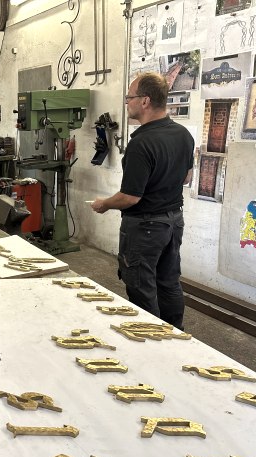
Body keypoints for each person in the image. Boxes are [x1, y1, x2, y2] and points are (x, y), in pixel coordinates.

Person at [91, 72, 194, 330]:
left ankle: (152, 343)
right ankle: (176, 339)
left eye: (130, 97)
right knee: (168, 281)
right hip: (173, 222)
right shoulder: (183, 134)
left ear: (145, 101)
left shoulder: (141, 143)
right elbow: (185, 178)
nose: (127, 102)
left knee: (141, 286)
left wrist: (105, 204)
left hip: (146, 226)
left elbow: (130, 197)